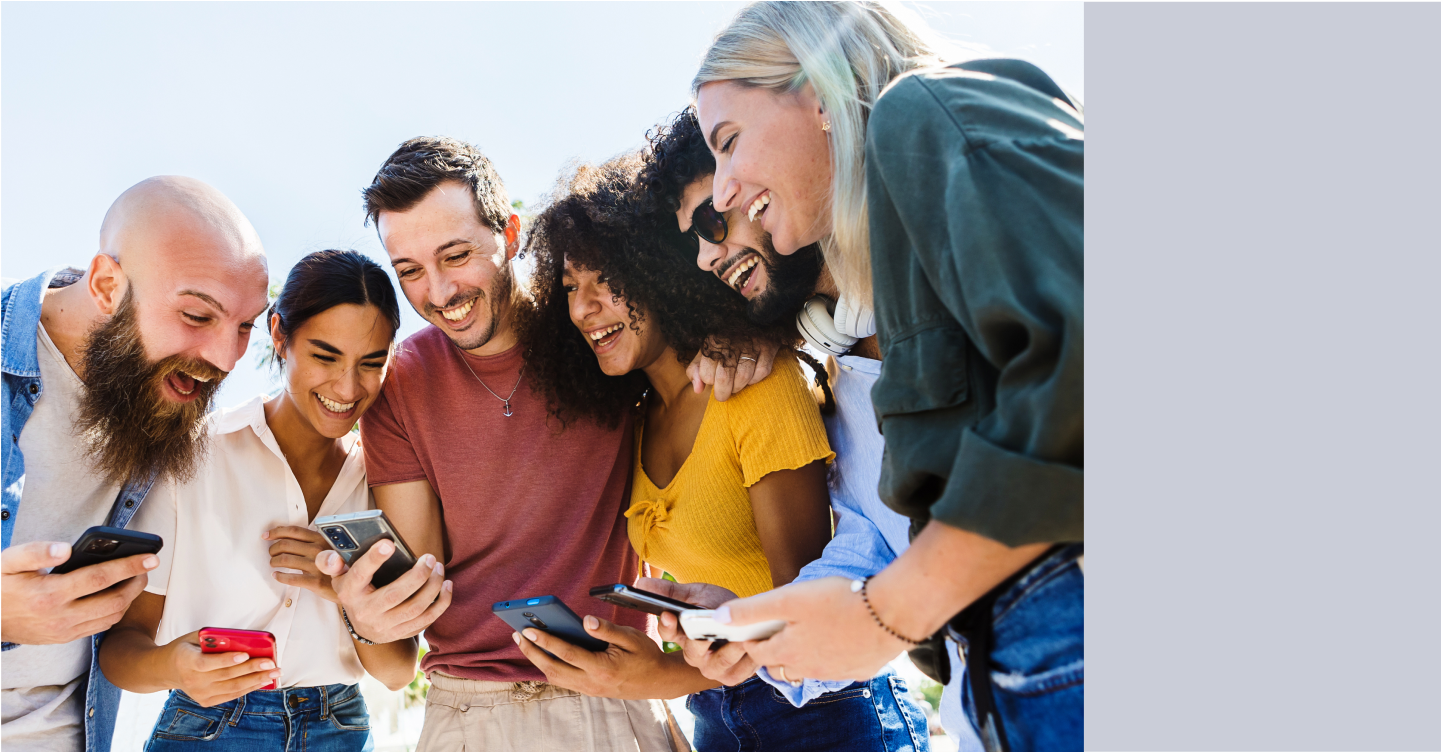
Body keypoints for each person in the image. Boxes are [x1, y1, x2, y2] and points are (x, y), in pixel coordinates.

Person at [688, 3, 1085, 751]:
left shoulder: (923, 107)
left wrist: (890, 612)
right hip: (1005, 680)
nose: (723, 190)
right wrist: (777, 626)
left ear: (818, 90)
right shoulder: (887, 309)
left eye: (729, 141)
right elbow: (895, 533)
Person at [315, 137, 774, 751]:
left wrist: (749, 336)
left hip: (613, 700)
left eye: (456, 256)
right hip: (468, 715)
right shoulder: (399, 385)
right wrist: (369, 620)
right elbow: (418, 601)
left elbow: (683, 337)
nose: (441, 292)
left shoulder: (597, 330)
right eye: (410, 272)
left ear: (508, 234)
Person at [518, 153, 929, 752]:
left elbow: (809, 613)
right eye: (570, 289)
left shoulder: (751, 384)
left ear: (657, 271)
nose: (583, 308)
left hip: (827, 711)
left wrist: (657, 675)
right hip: (715, 713)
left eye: (605, 280)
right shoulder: (636, 421)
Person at [635, 107, 974, 750]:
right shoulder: (842, 388)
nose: (706, 257)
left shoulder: (957, 265)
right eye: (693, 244)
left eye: (714, 219)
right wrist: (750, 628)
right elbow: (861, 564)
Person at [99, 249, 425, 750]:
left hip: (339, 728)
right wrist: (175, 665)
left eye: (372, 363)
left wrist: (343, 591)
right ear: (279, 334)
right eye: (324, 355)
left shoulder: (385, 479)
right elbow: (120, 650)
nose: (346, 386)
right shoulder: (195, 454)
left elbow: (399, 670)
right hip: (209, 727)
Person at [1, 176, 270, 751]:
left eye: (245, 326)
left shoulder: (165, 401)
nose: (224, 358)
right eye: (197, 316)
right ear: (105, 283)